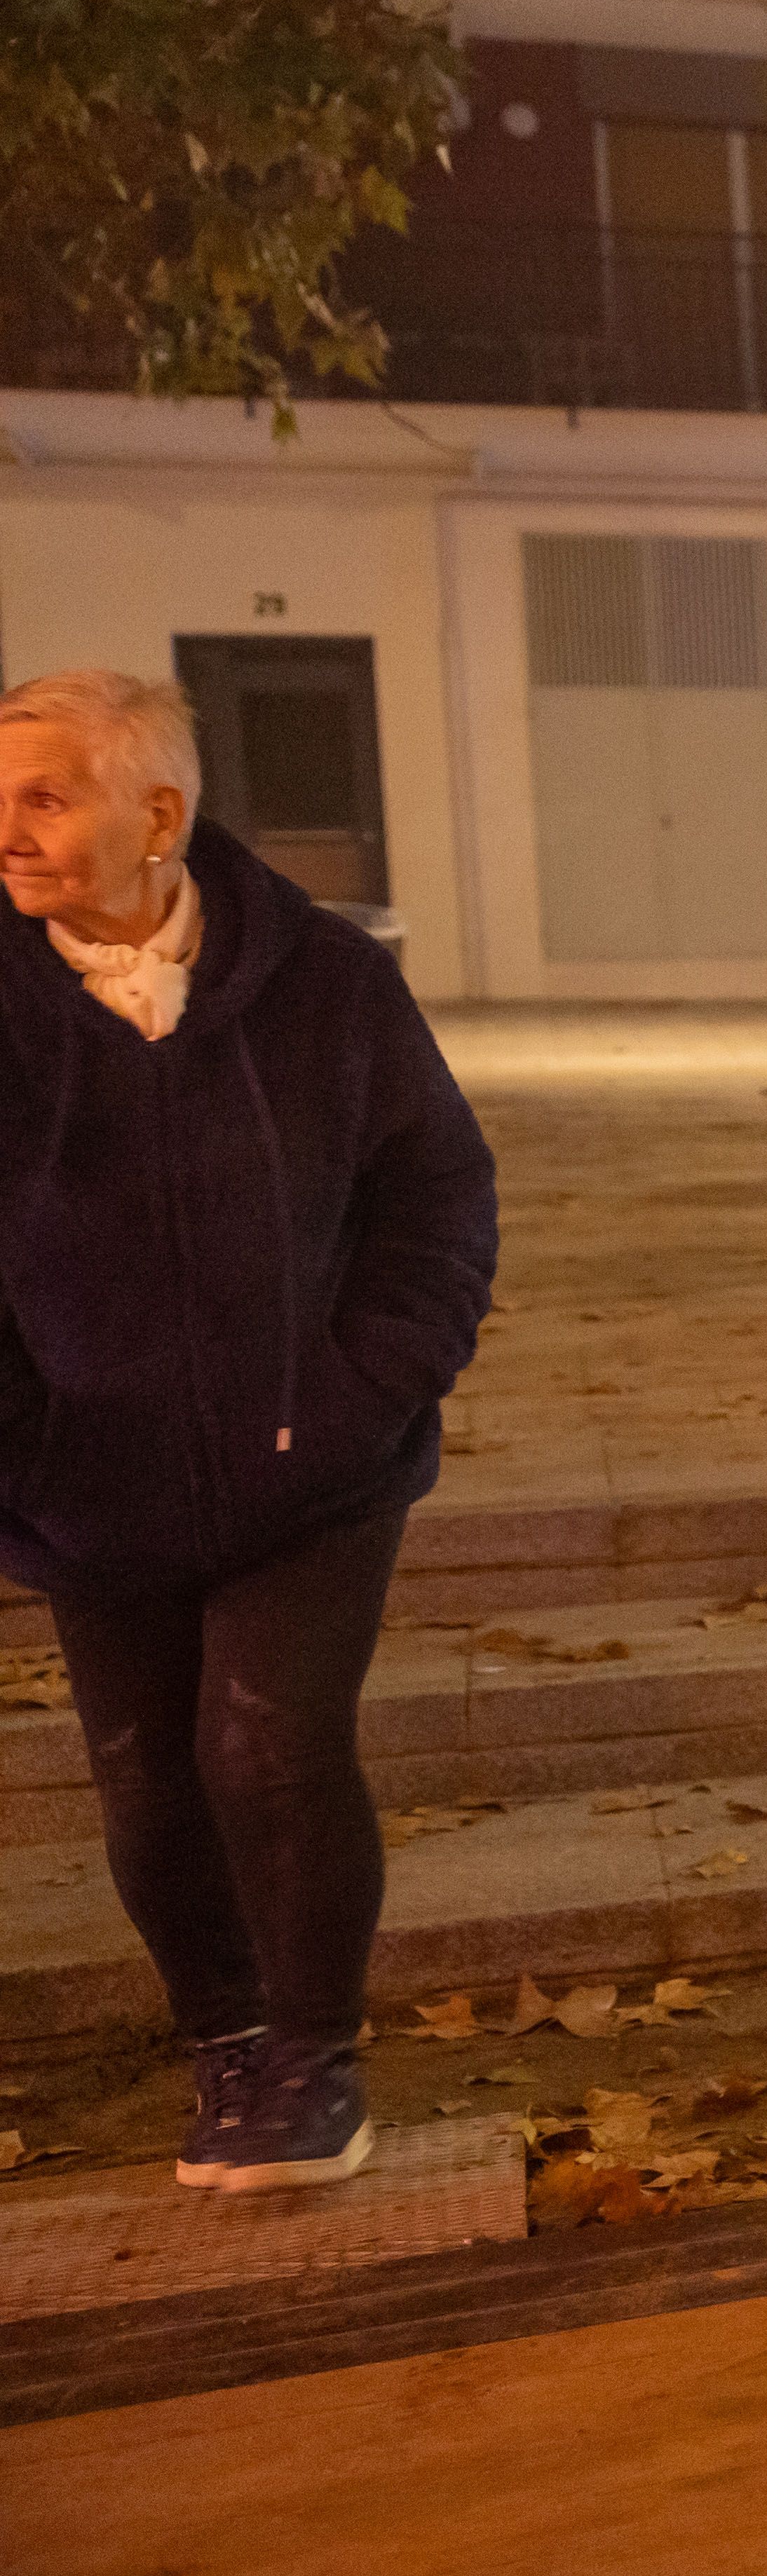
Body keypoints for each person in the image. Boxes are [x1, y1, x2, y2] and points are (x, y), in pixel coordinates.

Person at [0, 668, 499, 2193]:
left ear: (158, 812)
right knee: (146, 1774)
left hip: (317, 1467)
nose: (8, 831)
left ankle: (310, 2054)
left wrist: (363, 1390)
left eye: (44, 797)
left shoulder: (324, 978)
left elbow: (436, 1192)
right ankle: (224, 2039)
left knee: (270, 1745)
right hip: (86, 1484)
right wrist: (31, 1448)